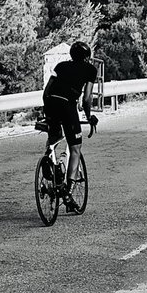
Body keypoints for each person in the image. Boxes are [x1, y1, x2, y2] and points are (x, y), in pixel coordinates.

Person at [41, 40, 98, 211]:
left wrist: (47, 110)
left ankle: (49, 160)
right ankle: (67, 192)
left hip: (50, 102)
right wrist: (89, 117)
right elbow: (87, 98)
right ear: (87, 57)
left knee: (54, 137)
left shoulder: (61, 66)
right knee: (75, 147)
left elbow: (47, 89)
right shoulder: (90, 70)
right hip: (67, 105)